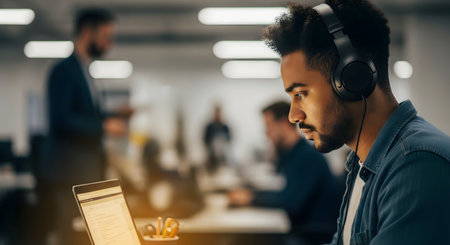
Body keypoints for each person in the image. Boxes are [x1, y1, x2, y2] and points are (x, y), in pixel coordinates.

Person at [262, 0, 450, 244]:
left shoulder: (417, 165)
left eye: (301, 94)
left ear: (352, 78)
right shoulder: (364, 163)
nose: (293, 115)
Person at [42, 8, 127, 244]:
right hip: (69, 174)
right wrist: (104, 127)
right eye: (106, 36)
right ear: (88, 32)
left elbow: (85, 114)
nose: (109, 44)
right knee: (70, 236)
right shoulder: (64, 71)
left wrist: (113, 115)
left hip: (86, 172)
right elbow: (61, 119)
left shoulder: (86, 71)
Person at [229, 101, 341, 244]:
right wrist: (251, 195)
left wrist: (250, 198)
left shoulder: (307, 156)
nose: (266, 133)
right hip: (302, 228)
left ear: (283, 123)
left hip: (312, 235)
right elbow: (287, 194)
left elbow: (291, 202)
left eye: (268, 126)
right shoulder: (293, 153)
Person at [203, 105, 232, 171]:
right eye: (216, 113)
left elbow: (229, 140)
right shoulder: (209, 127)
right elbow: (205, 140)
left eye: (219, 113)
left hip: (223, 155)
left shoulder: (225, 127)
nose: (218, 115)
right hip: (211, 156)